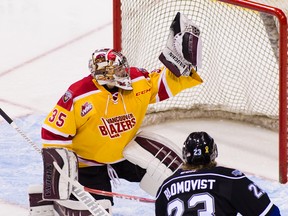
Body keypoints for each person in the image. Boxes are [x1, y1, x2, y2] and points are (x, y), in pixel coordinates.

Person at [28, 12, 204, 215]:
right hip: (88, 163)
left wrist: (182, 67)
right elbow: (53, 134)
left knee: (173, 173)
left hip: (125, 152)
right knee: (98, 210)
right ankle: (51, 201)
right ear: (104, 76)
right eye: (119, 72)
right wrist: (62, 175)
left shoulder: (138, 81)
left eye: (124, 69)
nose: (126, 74)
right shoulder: (80, 96)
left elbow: (162, 86)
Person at [155, 131, 281, 216]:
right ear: (213, 153)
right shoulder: (230, 179)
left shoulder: (166, 187)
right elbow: (270, 213)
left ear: (185, 154)